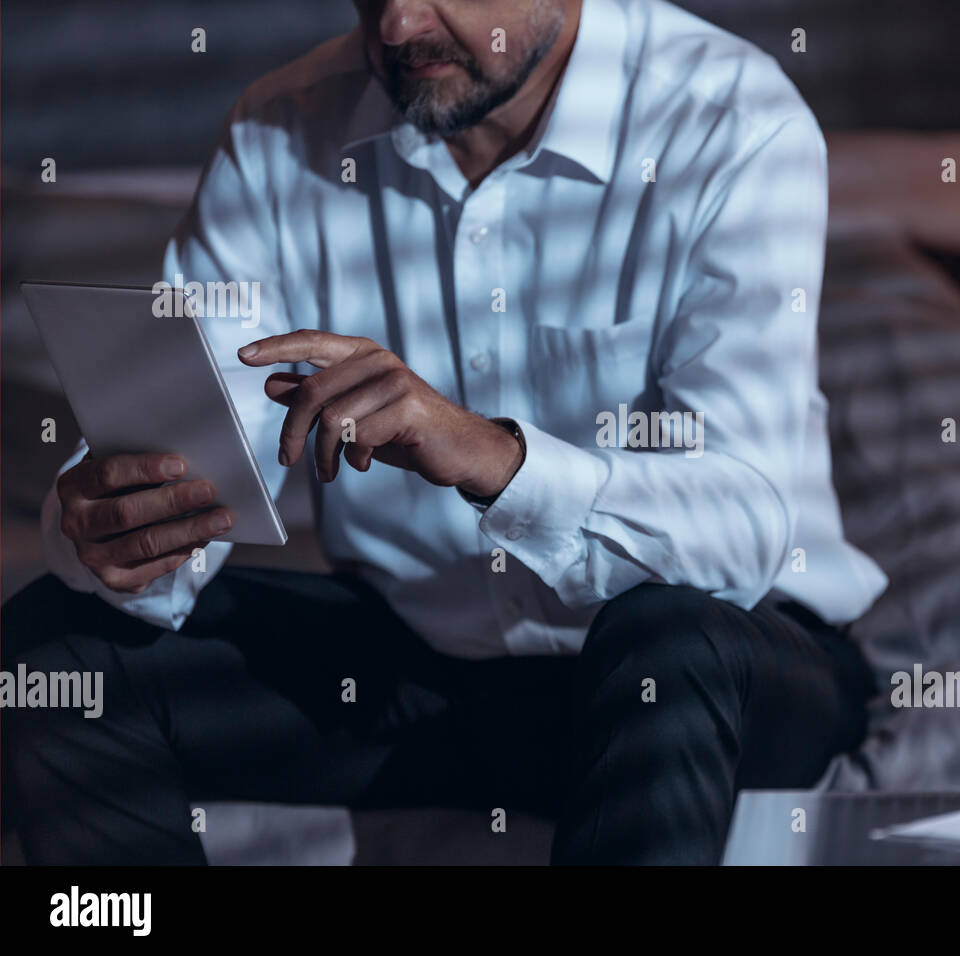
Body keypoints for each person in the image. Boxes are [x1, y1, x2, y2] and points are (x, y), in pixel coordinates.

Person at [1, 0, 887, 865]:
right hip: (425, 665)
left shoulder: (729, 119)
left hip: (718, 676)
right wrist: (122, 531)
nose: (395, 25)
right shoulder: (280, 130)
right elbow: (193, 456)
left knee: (668, 636)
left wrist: (498, 460)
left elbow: (745, 527)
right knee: (55, 647)